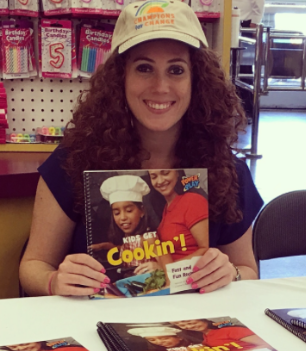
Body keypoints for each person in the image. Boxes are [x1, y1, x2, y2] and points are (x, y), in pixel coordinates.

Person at [19, 1, 262, 296]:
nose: (161, 86)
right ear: (120, 78)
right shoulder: (73, 160)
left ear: (196, 81)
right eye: (144, 68)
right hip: (94, 328)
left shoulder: (227, 168)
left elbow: (248, 270)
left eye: (176, 70)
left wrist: (230, 273)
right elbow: (33, 265)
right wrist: (55, 280)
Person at [96, 174, 161, 277]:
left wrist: (159, 266)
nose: (122, 217)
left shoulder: (149, 239)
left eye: (129, 210)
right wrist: (106, 246)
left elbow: (168, 266)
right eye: (116, 213)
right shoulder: (127, 239)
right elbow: (131, 249)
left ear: (142, 211)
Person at [147, 169, 209, 263]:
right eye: (154, 177)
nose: (159, 181)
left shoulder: (192, 201)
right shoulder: (165, 209)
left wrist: (166, 269)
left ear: (177, 173)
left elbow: (207, 250)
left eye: (165, 173)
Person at [170, 319, 268, 350]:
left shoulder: (230, 330)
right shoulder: (206, 338)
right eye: (182, 325)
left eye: (189, 321)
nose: (189, 326)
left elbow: (267, 344)